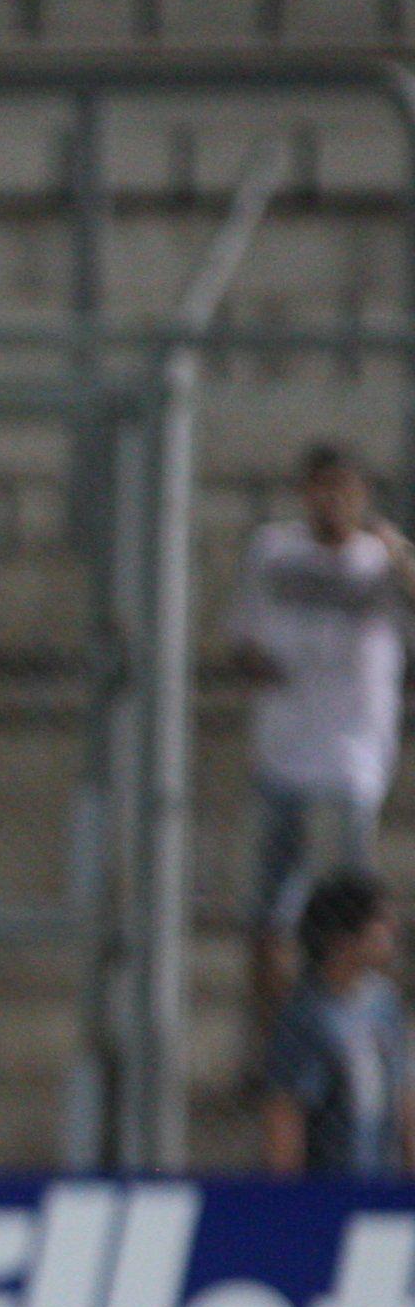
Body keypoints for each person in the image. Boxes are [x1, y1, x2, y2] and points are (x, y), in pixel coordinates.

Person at [232, 443, 415, 1027]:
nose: (332, 499)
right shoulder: (274, 552)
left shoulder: (380, 562)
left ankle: (364, 1031)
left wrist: (403, 561)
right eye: (320, 486)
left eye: (344, 487)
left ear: (362, 496)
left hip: (351, 758)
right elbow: (243, 636)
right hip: (284, 752)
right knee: (269, 912)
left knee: (353, 911)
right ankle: (276, 1036)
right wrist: (263, 664)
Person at [259, 870, 411, 1180]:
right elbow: (287, 1115)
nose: (391, 931)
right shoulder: (307, 1017)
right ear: (341, 940)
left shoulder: (385, 1004)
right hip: (329, 1184)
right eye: (379, 923)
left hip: (381, 1180)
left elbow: (403, 1099)